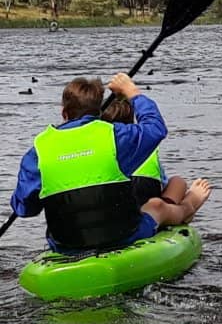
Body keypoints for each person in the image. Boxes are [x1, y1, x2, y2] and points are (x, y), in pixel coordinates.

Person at [10, 73, 211, 254]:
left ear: (64, 113)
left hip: (66, 244)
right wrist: (132, 92)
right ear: (98, 110)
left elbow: (26, 209)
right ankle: (188, 207)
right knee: (155, 208)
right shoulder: (115, 136)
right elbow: (156, 128)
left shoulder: (37, 151)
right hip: (125, 235)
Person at [101, 96, 188, 209]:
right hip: (148, 193)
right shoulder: (144, 142)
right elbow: (163, 181)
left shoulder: (99, 144)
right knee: (178, 182)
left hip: (115, 196)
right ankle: (172, 209)